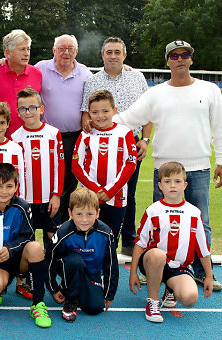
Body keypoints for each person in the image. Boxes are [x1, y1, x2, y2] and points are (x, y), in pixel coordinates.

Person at [113, 40, 222, 290]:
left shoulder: (210, 90)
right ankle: (157, 269)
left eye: (184, 55)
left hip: (198, 168)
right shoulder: (155, 93)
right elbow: (128, 118)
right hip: (164, 169)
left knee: (201, 222)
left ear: (191, 59)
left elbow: (221, 127)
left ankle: (200, 271)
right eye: (174, 56)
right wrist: (100, 122)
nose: (180, 59)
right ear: (167, 61)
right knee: (159, 223)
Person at [81, 37, 151, 257]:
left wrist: (145, 140)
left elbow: (149, 112)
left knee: (127, 193)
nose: (113, 56)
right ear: (102, 55)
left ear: (124, 55)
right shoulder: (92, 81)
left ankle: (128, 241)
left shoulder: (137, 77)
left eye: (117, 52)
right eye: (109, 52)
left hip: (130, 143)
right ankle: (96, 239)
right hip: (100, 145)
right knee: (95, 192)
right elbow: (85, 114)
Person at [129, 162, 213, 323]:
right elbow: (140, 243)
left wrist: (208, 275)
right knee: (157, 255)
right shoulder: (153, 210)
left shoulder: (194, 213)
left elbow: (203, 249)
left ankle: (170, 289)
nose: (172, 185)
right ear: (160, 185)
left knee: (190, 298)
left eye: (177, 181)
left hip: (179, 267)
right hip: (153, 262)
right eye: (167, 181)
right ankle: (152, 301)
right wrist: (133, 273)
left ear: (185, 184)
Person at [0, 163, 51, 328]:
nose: (4, 191)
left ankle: (38, 304)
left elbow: (29, 236)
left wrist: (10, 249)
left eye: (9, 186)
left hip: (20, 259)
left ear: (16, 186)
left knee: (36, 247)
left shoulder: (23, 207)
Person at [35, 34, 93, 223]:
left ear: (76, 51)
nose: (66, 53)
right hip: (46, 138)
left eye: (70, 49)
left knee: (68, 184)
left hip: (73, 138)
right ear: (53, 50)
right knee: (45, 182)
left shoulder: (85, 73)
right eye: (61, 48)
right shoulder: (40, 69)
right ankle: (44, 227)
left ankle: (62, 228)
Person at [72, 90, 137, 247]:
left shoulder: (124, 132)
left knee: (111, 240)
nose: (100, 116)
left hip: (116, 196)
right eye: (95, 112)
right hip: (89, 196)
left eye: (105, 111)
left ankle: (108, 271)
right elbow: (76, 165)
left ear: (114, 111)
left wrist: (110, 190)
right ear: (89, 113)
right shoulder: (86, 134)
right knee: (85, 238)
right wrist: (95, 190)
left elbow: (130, 163)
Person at [45, 187, 118, 322]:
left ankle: (78, 290)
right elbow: (49, 260)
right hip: (69, 268)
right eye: (79, 214)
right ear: (70, 213)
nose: (84, 219)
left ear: (97, 213)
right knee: (75, 260)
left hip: (91, 273)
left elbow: (111, 264)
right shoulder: (63, 233)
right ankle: (71, 301)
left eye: (89, 214)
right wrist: (54, 289)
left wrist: (109, 294)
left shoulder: (106, 233)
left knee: (95, 308)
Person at [11, 88, 64, 247]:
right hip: (26, 200)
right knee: (27, 239)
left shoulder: (53, 133)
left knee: (52, 236)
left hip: (49, 198)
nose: (28, 112)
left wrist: (57, 195)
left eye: (33, 107)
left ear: (41, 109)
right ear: (18, 112)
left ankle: (52, 269)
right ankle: (29, 271)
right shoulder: (15, 137)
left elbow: (60, 167)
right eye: (23, 108)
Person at [0, 29, 42, 137]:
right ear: (8, 52)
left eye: (28, 49)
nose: (26, 53)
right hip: (0, 140)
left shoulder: (37, 73)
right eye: (22, 49)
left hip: (30, 138)